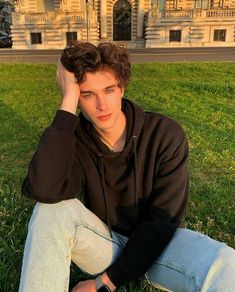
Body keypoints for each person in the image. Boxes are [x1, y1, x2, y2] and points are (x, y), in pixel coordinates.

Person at [18, 42, 235, 292]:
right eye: (88, 94)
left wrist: (106, 282)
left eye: (109, 90)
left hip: (161, 248)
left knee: (226, 263)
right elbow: (44, 189)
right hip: (105, 244)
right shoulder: (75, 140)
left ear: (121, 87)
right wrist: (67, 101)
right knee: (49, 212)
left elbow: (163, 220)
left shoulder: (164, 134)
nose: (102, 105)